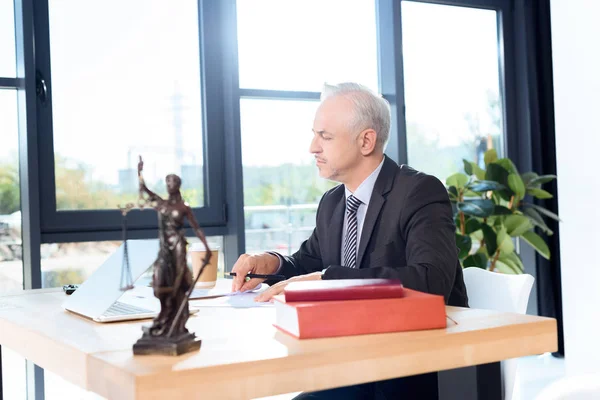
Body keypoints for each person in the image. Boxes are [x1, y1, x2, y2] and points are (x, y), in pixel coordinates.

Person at [231, 83, 468, 399]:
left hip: (412, 371)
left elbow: (430, 280)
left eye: (325, 137)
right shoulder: (333, 203)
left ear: (366, 140)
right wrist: (271, 262)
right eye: (315, 134)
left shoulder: (418, 192)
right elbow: (307, 265)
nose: (313, 147)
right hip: (352, 362)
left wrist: (329, 279)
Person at [138, 156, 211, 338]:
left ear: (178, 185)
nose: (170, 185)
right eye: (168, 182)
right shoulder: (161, 204)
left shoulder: (183, 206)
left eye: (173, 182)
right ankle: (165, 314)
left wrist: (207, 248)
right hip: (164, 248)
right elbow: (144, 190)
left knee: (178, 282)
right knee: (159, 278)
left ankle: (176, 320)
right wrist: (139, 172)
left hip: (178, 246)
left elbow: (196, 228)